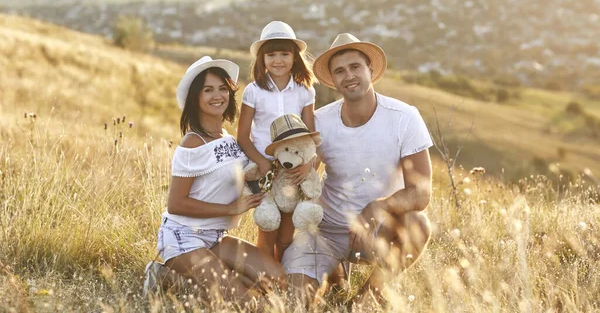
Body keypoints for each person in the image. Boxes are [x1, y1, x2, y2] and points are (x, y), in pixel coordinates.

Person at [282, 33, 434, 307]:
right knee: (293, 301)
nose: (348, 75)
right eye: (339, 71)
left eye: (355, 67)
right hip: (325, 231)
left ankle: (365, 300)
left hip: (378, 231)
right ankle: (334, 276)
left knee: (418, 224)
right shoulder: (321, 121)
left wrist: (378, 207)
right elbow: (302, 179)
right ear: (333, 80)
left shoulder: (404, 117)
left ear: (371, 71)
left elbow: (421, 193)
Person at [143, 56, 285, 304]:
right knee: (243, 304)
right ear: (195, 99)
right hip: (183, 237)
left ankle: (182, 279)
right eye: (208, 90)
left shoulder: (229, 139)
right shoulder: (193, 143)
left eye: (222, 88)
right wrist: (229, 209)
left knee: (278, 281)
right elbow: (176, 204)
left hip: (215, 237)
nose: (217, 95)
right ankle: (166, 277)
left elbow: (248, 175)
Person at [237, 21, 317, 261]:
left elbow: (310, 135)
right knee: (268, 230)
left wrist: (308, 164)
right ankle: (265, 281)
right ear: (262, 59)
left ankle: (279, 274)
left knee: (285, 235)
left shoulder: (305, 90)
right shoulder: (253, 91)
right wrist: (261, 163)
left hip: (292, 171)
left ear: (295, 57)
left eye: (285, 53)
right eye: (271, 54)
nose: (278, 60)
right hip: (264, 169)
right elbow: (242, 136)